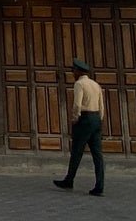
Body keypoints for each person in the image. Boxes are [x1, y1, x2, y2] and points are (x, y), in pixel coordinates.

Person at [53, 59, 105, 196]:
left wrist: (75, 119)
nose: (72, 73)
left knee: (76, 151)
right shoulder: (95, 84)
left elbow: (77, 104)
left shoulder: (79, 84)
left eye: (73, 71)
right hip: (96, 119)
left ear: (78, 71)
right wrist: (99, 119)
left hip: (84, 119)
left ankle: (69, 180)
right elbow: (101, 106)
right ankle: (100, 185)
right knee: (97, 155)